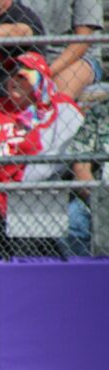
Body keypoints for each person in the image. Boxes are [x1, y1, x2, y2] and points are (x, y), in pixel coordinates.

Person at [0, 52, 84, 257]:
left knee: (32, 201)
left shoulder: (55, 110)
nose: (13, 80)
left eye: (22, 77)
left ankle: (28, 275)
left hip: (32, 189)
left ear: (38, 81)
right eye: (12, 75)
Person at [16, 0, 104, 100]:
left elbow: (82, 42)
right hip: (36, 60)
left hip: (79, 59)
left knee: (59, 89)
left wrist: (47, 71)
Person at [63, 90, 109, 255]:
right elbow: (80, 165)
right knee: (71, 218)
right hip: (102, 194)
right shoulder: (100, 113)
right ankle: (89, 275)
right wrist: (96, 201)